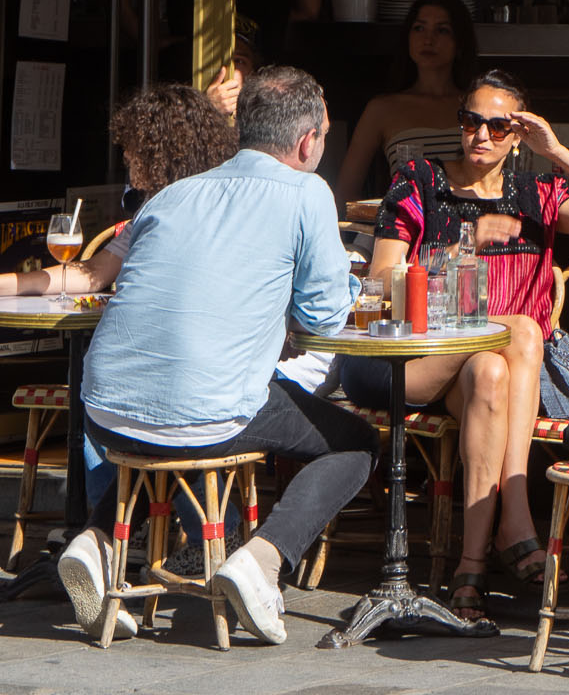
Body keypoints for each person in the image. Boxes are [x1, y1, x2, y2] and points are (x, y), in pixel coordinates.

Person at [55, 67, 373, 646]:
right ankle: (262, 559)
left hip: (105, 411)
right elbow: (325, 321)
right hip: (202, 413)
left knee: (176, 424)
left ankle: (96, 542)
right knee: (355, 443)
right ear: (307, 143)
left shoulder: (174, 193)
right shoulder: (307, 191)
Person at [342, 71, 569, 623]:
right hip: (414, 361)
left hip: (485, 375)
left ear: (518, 134)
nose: (481, 134)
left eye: (498, 125)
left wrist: (558, 153)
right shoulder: (419, 181)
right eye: (470, 121)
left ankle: (470, 569)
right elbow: (383, 279)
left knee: (492, 373)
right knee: (523, 330)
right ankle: (518, 514)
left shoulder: (537, 195)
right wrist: (460, 245)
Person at [7, 85, 237, 299]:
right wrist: (9, 284)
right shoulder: (153, 207)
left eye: (134, 146)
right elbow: (94, 272)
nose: (126, 155)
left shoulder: (189, 212)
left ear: (163, 153)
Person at [333, 0, 475, 204]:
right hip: (405, 230)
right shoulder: (382, 109)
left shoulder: (476, 106)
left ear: (460, 43)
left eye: (442, 30)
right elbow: (345, 193)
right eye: (419, 28)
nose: (428, 39)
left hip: (469, 228)